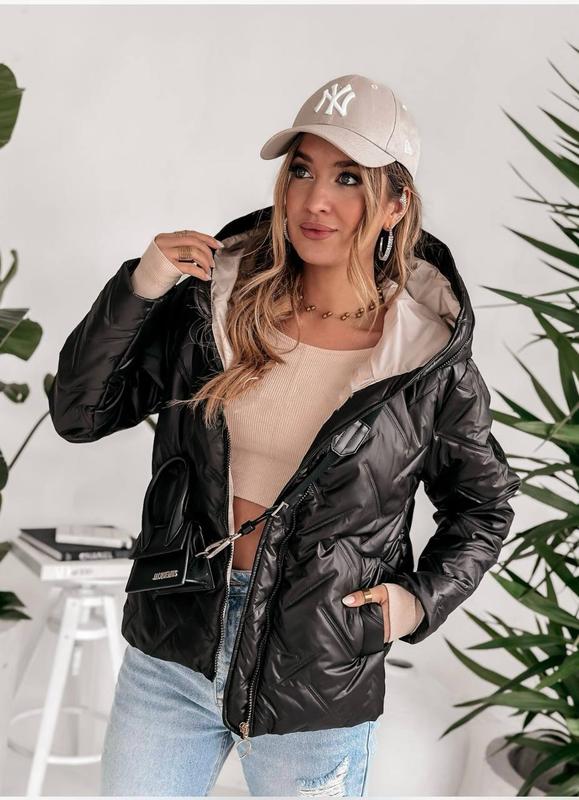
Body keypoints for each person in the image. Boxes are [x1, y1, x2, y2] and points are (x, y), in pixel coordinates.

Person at [48, 74, 521, 797]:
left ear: (395, 204)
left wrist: (417, 602)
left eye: (348, 178)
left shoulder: (425, 358)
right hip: (174, 648)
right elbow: (81, 413)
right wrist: (138, 287)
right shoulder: (215, 308)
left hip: (316, 680)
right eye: (301, 170)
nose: (314, 200)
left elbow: (483, 507)